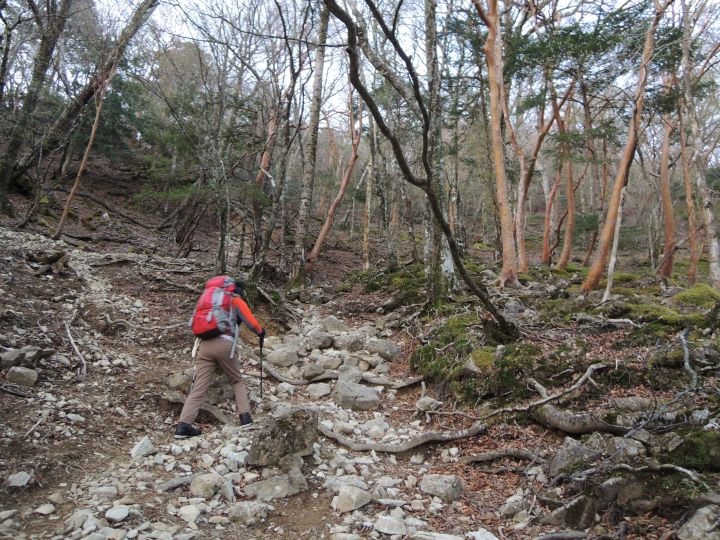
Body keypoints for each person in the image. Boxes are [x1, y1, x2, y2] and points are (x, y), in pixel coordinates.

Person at [175, 278, 265, 439]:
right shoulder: (234, 299)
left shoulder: (208, 301)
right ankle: (245, 417)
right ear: (237, 290)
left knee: (199, 387)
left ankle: (183, 425)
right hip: (225, 344)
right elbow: (251, 323)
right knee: (236, 380)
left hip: (204, 345)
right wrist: (261, 333)